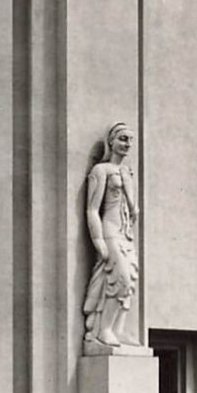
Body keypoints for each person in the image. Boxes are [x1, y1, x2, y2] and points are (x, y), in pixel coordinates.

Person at [82, 122, 140, 350]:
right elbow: (92, 210)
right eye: (123, 138)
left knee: (130, 282)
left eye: (130, 140)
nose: (127, 144)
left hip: (126, 234)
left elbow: (131, 207)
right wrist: (98, 242)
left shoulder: (126, 173)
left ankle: (117, 330)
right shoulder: (101, 170)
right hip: (110, 232)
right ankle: (103, 330)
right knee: (120, 278)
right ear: (111, 142)